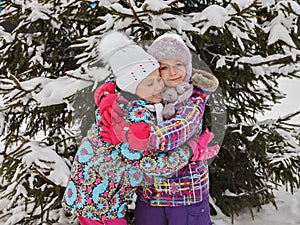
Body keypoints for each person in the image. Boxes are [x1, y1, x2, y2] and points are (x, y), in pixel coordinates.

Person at [62, 31, 210, 225]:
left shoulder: (122, 101)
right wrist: (192, 149)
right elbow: (157, 160)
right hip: (100, 206)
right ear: (132, 88)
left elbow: (182, 123)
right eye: (163, 69)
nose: (159, 85)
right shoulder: (131, 118)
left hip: (101, 201)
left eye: (157, 78)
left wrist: (107, 92)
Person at [134, 33, 219, 225]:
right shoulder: (148, 96)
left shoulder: (194, 99)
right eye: (164, 67)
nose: (173, 73)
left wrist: (134, 136)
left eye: (178, 65)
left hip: (185, 196)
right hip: (151, 196)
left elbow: (175, 133)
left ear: (187, 67)